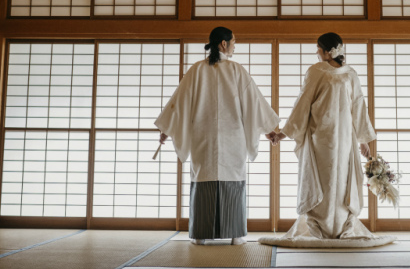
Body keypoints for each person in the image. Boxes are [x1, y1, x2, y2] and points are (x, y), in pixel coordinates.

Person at [260, 33, 394, 248]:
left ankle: (338, 227)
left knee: (338, 181)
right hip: (328, 138)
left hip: (333, 138)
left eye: (318, 48)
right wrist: (283, 132)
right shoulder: (336, 72)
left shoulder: (333, 72)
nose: (316, 52)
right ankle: (321, 227)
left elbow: (306, 104)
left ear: (326, 51)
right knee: (328, 181)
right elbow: (310, 104)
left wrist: (362, 140)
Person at [155, 27, 279, 245]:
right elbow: (254, 104)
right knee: (233, 180)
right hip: (234, 139)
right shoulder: (236, 70)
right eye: (233, 41)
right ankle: (236, 235)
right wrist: (269, 129)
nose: (234, 45)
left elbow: (179, 104)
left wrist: (168, 128)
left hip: (204, 138)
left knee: (204, 179)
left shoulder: (196, 70)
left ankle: (201, 235)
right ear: (223, 44)